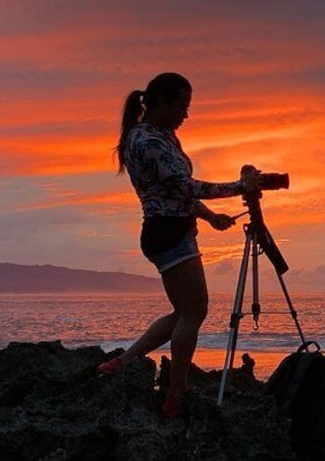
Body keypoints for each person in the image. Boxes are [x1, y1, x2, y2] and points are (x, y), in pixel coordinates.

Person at [99, 72, 258, 418]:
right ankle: (176, 395)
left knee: (182, 312)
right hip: (167, 234)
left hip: (173, 230)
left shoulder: (165, 135)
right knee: (195, 311)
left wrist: (209, 216)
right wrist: (240, 186)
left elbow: (176, 192)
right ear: (160, 102)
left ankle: (123, 362)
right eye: (181, 106)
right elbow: (186, 187)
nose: (186, 114)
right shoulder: (147, 142)